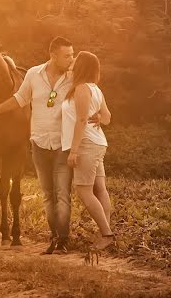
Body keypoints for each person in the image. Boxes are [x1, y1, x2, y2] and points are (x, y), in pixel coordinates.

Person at [0, 36, 76, 254]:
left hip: (64, 143)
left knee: (62, 193)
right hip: (40, 142)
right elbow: (20, 99)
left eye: (72, 55)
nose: (71, 59)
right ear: (53, 55)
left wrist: (97, 114)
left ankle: (62, 240)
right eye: (67, 55)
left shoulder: (73, 77)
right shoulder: (34, 74)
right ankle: (55, 238)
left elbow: (88, 95)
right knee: (47, 194)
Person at [63, 50, 114, 250]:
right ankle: (107, 230)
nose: (71, 63)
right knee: (99, 188)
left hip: (86, 144)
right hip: (98, 143)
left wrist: (73, 151)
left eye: (75, 61)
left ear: (81, 66)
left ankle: (107, 234)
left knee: (83, 190)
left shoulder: (82, 88)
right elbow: (107, 116)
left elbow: (82, 120)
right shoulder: (95, 88)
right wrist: (99, 117)